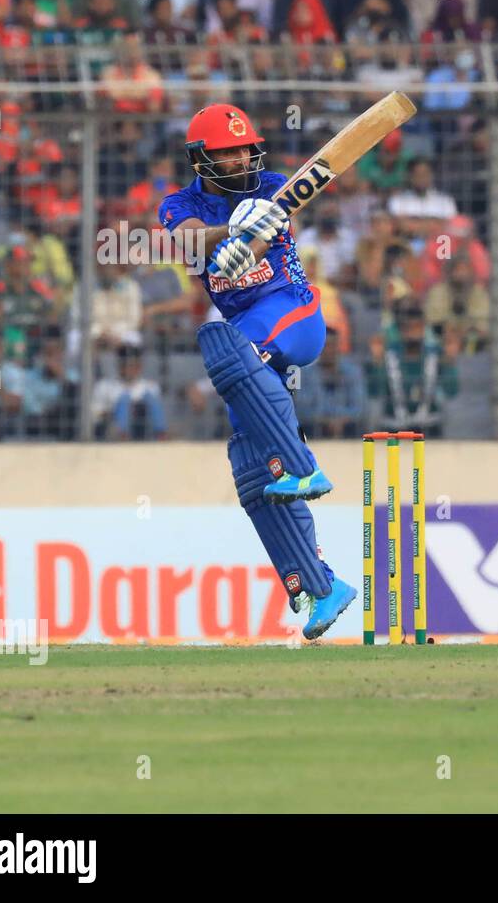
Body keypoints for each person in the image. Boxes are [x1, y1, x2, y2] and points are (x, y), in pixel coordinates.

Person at [158, 102, 355, 640]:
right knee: (250, 468)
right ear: (201, 159)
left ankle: (303, 464)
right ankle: (320, 585)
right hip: (247, 335)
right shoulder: (178, 204)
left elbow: (268, 231)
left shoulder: (272, 185)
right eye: (227, 151)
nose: (241, 157)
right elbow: (189, 236)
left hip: (293, 311)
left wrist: (252, 230)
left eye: (245, 147)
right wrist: (225, 231)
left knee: (224, 346)